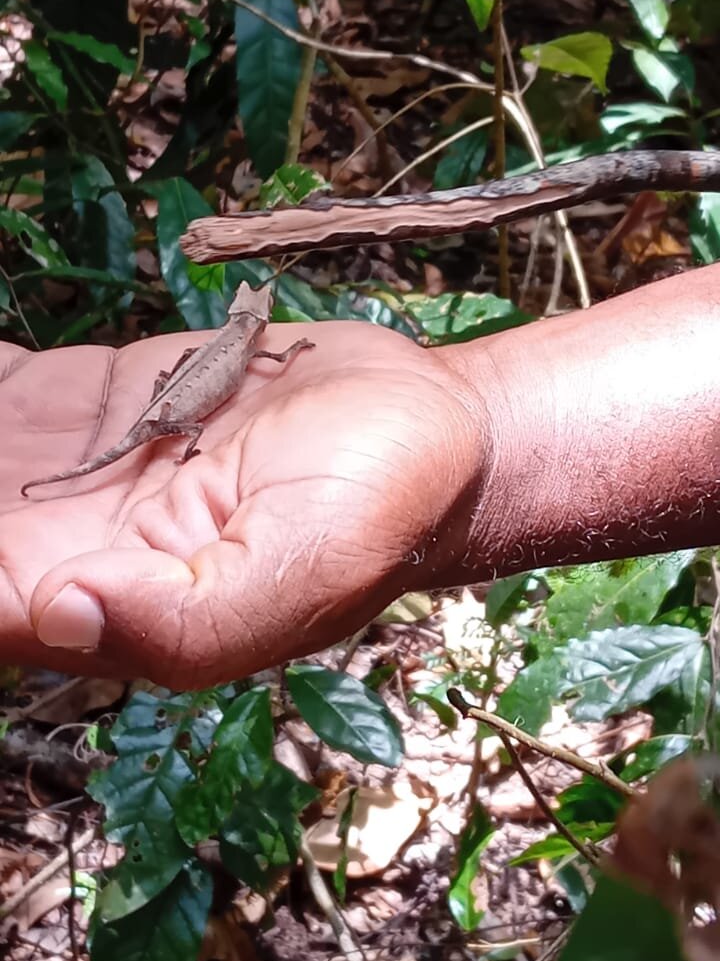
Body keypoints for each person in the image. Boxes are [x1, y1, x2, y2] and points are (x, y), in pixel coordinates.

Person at [3, 264, 720, 689]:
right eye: (260, 317)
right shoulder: (248, 347)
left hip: (173, 402)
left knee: (144, 431)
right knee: (152, 434)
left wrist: (486, 422)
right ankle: (132, 454)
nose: (263, 324)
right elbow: (256, 364)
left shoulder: (242, 341)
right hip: (172, 417)